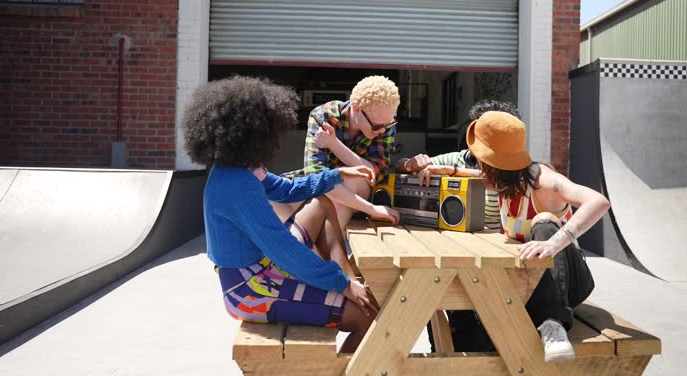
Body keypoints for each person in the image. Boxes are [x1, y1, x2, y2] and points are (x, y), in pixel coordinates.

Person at [182, 76, 379, 352]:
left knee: (322, 202)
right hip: (251, 289)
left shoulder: (240, 168)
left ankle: (345, 275)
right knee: (367, 317)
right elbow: (283, 249)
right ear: (253, 133)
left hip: (261, 267)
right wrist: (339, 284)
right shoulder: (238, 186)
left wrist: (337, 175)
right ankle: (344, 281)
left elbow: (285, 189)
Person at [466, 111, 610, 362]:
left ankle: (554, 324)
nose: (475, 164)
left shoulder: (542, 181)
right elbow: (471, 176)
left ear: (493, 164)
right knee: (466, 314)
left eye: (478, 159)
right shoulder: (503, 182)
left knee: (544, 222)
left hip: (567, 285)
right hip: (527, 286)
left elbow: (598, 201)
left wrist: (554, 242)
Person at [280, 75, 401, 237]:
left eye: (389, 124)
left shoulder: (383, 125)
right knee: (275, 195)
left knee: (349, 179)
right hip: (325, 192)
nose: (382, 131)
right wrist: (371, 209)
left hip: (355, 190)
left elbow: (374, 173)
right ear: (357, 108)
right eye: (377, 126)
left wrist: (335, 145)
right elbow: (317, 177)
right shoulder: (323, 116)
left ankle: (321, 252)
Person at [395, 99, 520, 231]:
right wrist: (410, 164)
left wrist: (452, 171)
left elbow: (494, 180)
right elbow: (399, 166)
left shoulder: (514, 169)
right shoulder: (458, 158)